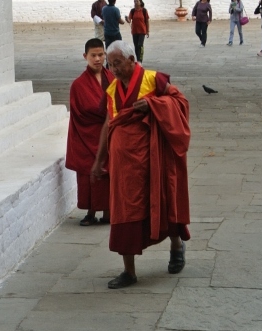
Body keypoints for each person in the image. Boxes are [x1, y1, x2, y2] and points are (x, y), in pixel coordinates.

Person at [91, 41, 190, 289]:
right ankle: (129, 271)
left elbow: (180, 102)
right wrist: (98, 160)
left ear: (132, 59)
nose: (113, 69)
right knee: (125, 211)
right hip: (124, 165)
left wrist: (155, 105)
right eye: (110, 64)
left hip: (155, 159)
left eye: (117, 63)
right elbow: (108, 124)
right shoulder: (112, 90)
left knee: (164, 199)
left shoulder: (153, 79)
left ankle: (176, 245)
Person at [65, 39, 114, 226]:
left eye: (101, 55)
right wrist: (104, 116)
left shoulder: (112, 78)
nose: (97, 59)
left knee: (109, 174)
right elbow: (79, 114)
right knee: (89, 174)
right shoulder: (78, 85)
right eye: (93, 55)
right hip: (88, 134)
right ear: (85, 57)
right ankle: (91, 212)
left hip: (109, 134)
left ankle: (109, 212)